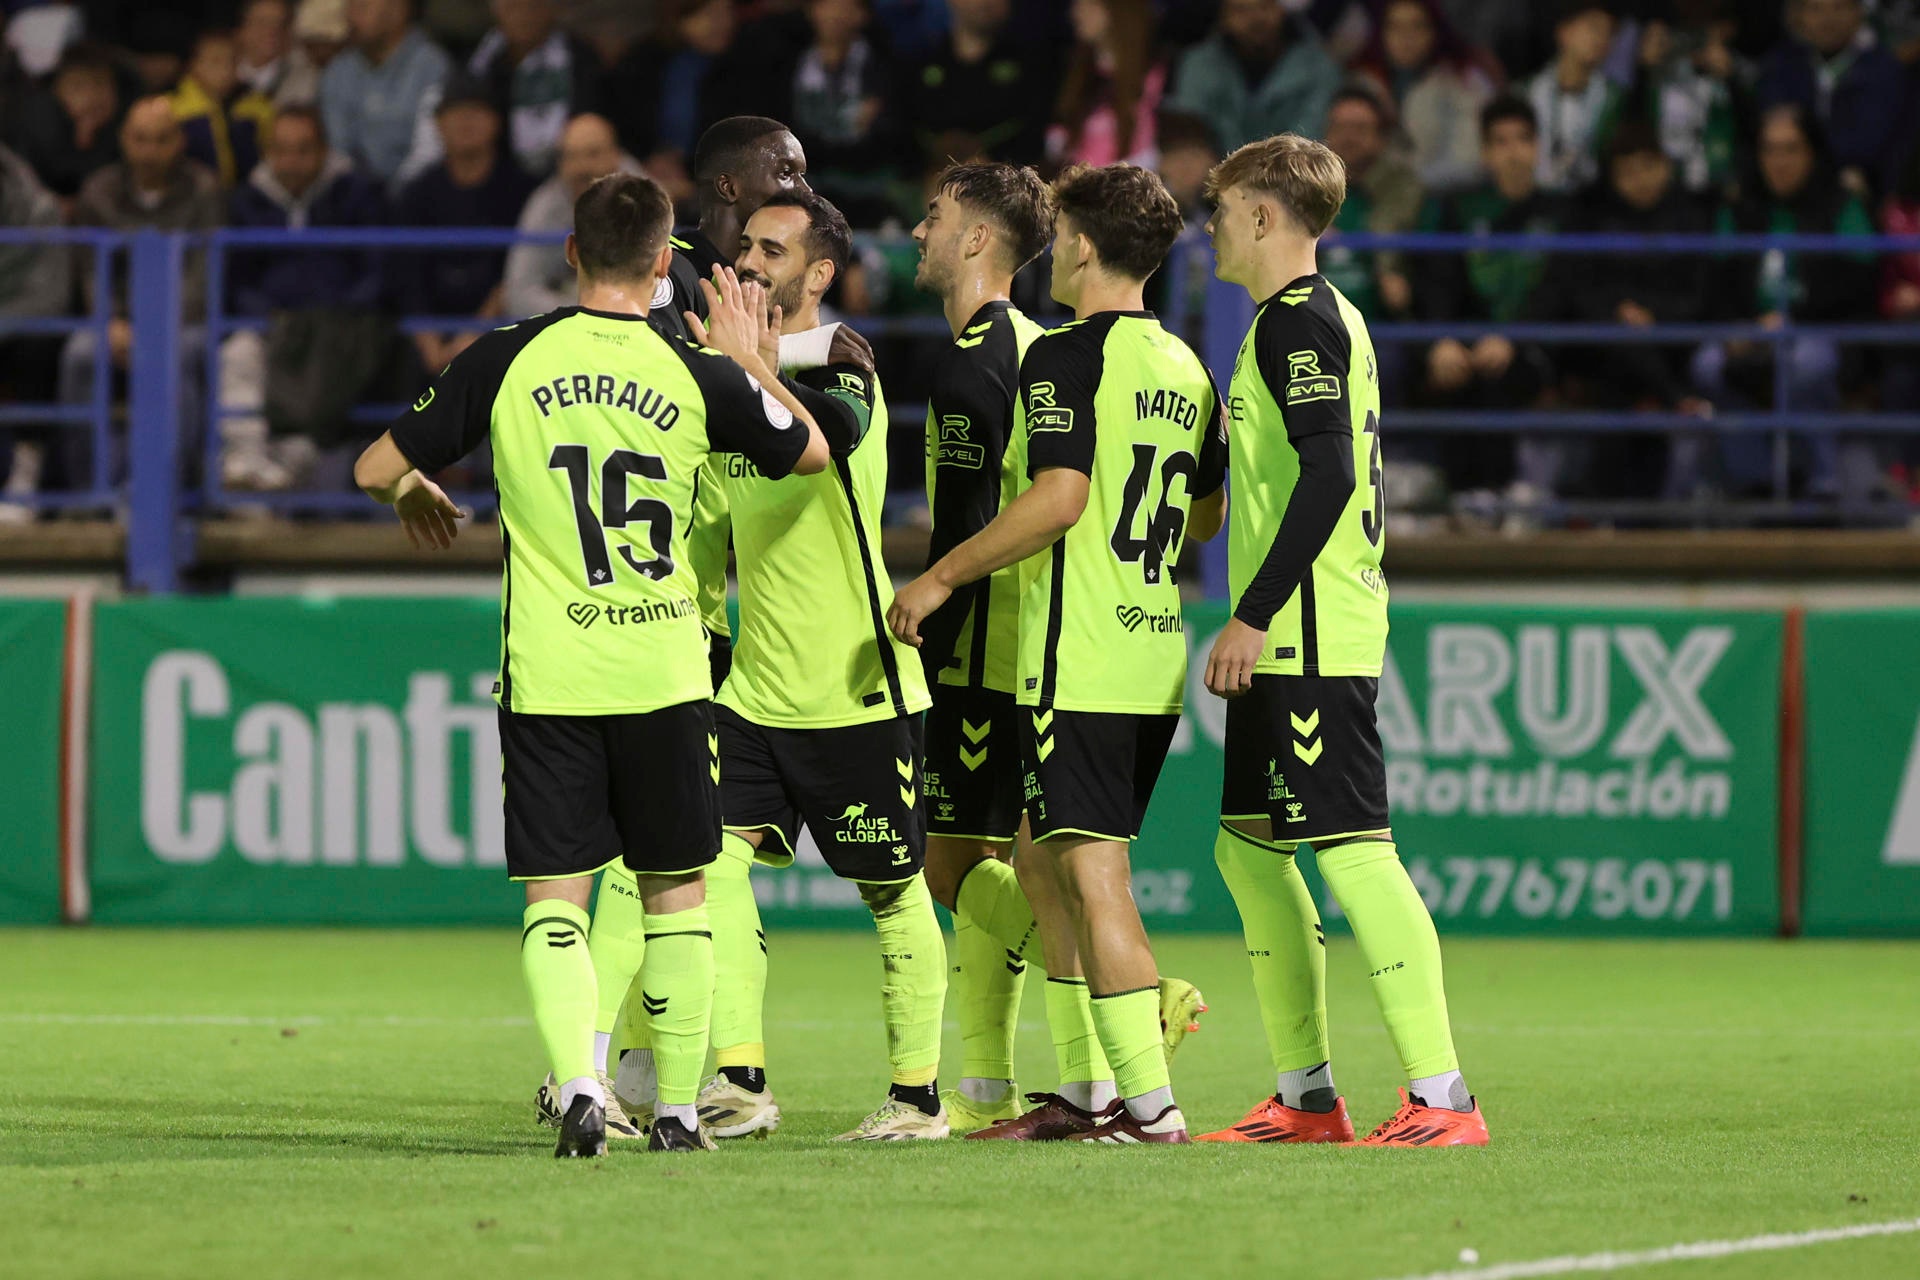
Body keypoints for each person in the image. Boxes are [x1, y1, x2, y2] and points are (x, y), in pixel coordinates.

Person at [353, 171, 832, 1157]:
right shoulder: (694, 370)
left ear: (570, 254)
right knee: (676, 891)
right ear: (666, 262)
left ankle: (579, 1082)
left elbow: (370, 465)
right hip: (665, 669)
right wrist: (749, 360)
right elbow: (816, 453)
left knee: (556, 893)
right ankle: (684, 1109)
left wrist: (407, 487)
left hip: (552, 671)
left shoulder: (506, 356)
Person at [548, 116, 873, 1144]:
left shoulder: (702, 286)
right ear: (728, 188)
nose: (802, 194)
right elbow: (715, 359)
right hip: (651, 607)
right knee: (668, 857)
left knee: (675, 856)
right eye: (784, 180)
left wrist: (820, 347)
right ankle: (643, 1066)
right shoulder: (677, 277)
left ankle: (658, 1068)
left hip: (681, 615)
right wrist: (826, 343)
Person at [890, 163, 1226, 1144]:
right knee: (1040, 862)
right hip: (1151, 649)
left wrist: (943, 573)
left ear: (1078, 244)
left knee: (1093, 876)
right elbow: (1203, 515)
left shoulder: (1067, 357)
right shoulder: (1185, 367)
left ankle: (1151, 1108)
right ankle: (1084, 1096)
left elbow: (1062, 497)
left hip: (1075, 655)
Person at [1197, 130, 1489, 1147]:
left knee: (1357, 855)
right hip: (1301, 634)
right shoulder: (1310, 320)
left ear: (1267, 215)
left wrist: (1255, 608)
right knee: (1247, 851)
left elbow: (1326, 475)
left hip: (1308, 634)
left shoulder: (1296, 325)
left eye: (1225, 206)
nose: (1214, 222)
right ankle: (1307, 1094)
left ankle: (1444, 1096)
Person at [696, 189, 948, 1142]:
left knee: (893, 893)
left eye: (773, 250)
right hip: (756, 690)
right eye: (746, 246)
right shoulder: (730, 382)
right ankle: (739, 1082)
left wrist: (743, 364)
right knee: (709, 868)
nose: (751, 262)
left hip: (855, 689)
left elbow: (818, 445)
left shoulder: (843, 365)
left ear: (817, 274)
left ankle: (918, 1100)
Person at [1691, 103, 1879, 503]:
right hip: (1751, 331)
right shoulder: (1739, 208)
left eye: (1791, 149)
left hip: (1821, 332)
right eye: (1769, 150)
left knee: (1806, 365)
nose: (1779, 162)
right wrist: (1740, 326)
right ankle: (1755, 484)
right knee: (1709, 364)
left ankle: (1821, 483)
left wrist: (1795, 318)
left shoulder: (1841, 204)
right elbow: (1716, 284)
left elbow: (1860, 280)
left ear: (1811, 153)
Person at [57, 96, 223, 494]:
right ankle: (88, 493)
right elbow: (91, 271)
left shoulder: (204, 190)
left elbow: (202, 277)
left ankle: (171, 491)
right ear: (124, 139)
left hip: (184, 322)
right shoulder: (98, 192)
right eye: (140, 139)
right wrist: (111, 322)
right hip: (117, 324)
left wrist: (156, 329)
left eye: (161, 139)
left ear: (179, 142)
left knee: (178, 356)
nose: (149, 151)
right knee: (79, 356)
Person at [1413, 95, 1569, 510]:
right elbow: (1439, 281)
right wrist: (1441, 339)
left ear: (1538, 147)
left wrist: (1513, 337)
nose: (1513, 152)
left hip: (1542, 346)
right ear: (1485, 152)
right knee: (1453, 372)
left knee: (1502, 371)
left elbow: (1558, 289)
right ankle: (1463, 500)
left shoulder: (1563, 212)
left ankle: (1501, 496)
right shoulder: (1461, 210)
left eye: (1522, 139)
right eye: (1500, 142)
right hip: (1470, 337)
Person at [221, 106, 389, 492]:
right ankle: (246, 460)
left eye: (303, 150)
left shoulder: (357, 195)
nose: (292, 162)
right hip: (273, 327)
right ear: (268, 153)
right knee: (237, 352)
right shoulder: (246, 202)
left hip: (337, 330)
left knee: (331, 372)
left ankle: (291, 460)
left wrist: (334, 315)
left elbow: (377, 272)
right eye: (281, 150)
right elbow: (236, 280)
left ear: (324, 150)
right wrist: (270, 318)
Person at [392, 80, 536, 377]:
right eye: (455, 113)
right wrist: (431, 343)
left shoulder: (522, 190)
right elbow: (407, 276)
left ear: (497, 121)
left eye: (477, 112)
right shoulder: (417, 193)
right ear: (438, 124)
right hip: (430, 336)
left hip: (501, 326)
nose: (465, 122)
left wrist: (472, 336)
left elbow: (517, 272)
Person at [1348, 0, 1498, 194]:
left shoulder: (1465, 81)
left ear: (1435, 32)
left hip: (1448, 199)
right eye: (1395, 27)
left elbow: (1471, 160)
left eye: (1417, 26)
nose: (1406, 38)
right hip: (1366, 194)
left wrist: (1410, 181)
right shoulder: (1362, 83)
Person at [1756, 0, 1906, 192]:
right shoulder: (1780, 66)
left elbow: (1885, 143)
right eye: (1815, 9)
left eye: (1839, 7)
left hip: (1863, 185)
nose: (1828, 19)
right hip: (1792, 184)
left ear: (1858, 13)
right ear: (1798, 16)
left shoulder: (1884, 70)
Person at [502, 113, 640, 318]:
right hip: (568, 329)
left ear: (616, 156)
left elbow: (663, 289)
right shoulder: (545, 206)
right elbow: (518, 295)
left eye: (592, 154)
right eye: (570, 157)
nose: (581, 168)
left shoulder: (648, 201)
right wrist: (584, 314)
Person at [0, 144, 73, 521]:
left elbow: (51, 295)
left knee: (39, 349)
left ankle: (24, 479)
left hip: (24, 323)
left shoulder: (36, 207)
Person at [1165, 0, 1340, 154]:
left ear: (1281, 9)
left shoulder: (1320, 66)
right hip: (1214, 177)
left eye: (1264, 6)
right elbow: (1190, 132)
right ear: (1224, 17)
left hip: (1294, 174)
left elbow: (1313, 136)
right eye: (1241, 10)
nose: (1256, 19)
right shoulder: (1197, 64)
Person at [905, 0, 1056, 170]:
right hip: (924, 183)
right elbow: (901, 133)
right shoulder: (916, 64)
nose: (985, 3)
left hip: (1007, 184)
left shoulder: (1036, 66)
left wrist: (986, 160)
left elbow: (1038, 137)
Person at [318, 0, 453, 190]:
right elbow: (338, 151)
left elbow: (428, 156)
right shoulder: (338, 72)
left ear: (398, 11)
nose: (350, 17)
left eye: (362, 7)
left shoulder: (433, 68)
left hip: (416, 200)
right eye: (349, 7)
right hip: (354, 203)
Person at [467, 0, 606, 178]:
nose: (523, 16)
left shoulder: (581, 57)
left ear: (552, 10)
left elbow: (590, 121)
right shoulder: (483, 62)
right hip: (501, 178)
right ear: (497, 11)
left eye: (533, 6)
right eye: (513, 7)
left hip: (568, 172)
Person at [1050, 0, 1164, 169]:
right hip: (1076, 182)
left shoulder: (1155, 74)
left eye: (1090, 5)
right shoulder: (1073, 69)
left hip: (1132, 183)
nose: (1076, 13)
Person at [1525, 0, 1625, 193]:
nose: (1603, 38)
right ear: (1564, 32)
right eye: (1594, 28)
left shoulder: (1616, 99)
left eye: (1610, 32)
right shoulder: (1526, 91)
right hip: (1534, 197)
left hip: (1590, 202)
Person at [171, 29, 277, 188]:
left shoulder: (257, 107)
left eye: (233, 61)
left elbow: (270, 156)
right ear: (193, 65)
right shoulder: (175, 110)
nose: (226, 69)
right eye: (215, 61)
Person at [237, 0, 322, 107]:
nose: (271, 31)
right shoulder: (223, 66)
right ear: (243, 29)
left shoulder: (304, 79)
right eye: (262, 22)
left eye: (280, 23)